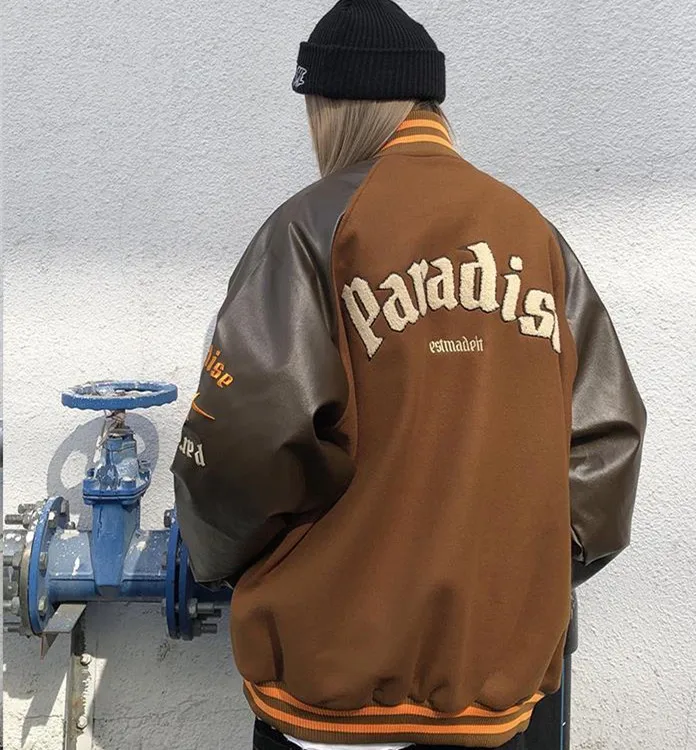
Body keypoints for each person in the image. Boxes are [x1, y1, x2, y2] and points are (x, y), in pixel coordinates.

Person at [170, 1, 647, 749]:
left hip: (333, 691)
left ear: (329, 108)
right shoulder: (532, 234)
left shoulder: (311, 228)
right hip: (494, 699)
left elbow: (241, 446)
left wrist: (220, 560)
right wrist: (522, 590)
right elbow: (607, 440)